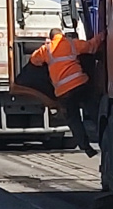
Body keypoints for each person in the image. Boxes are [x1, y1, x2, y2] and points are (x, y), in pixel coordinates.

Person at [29, 27, 103, 156]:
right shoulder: (71, 43)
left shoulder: (46, 49)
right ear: (62, 35)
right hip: (79, 84)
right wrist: (101, 35)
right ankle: (104, 133)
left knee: (74, 120)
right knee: (93, 110)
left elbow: (34, 59)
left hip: (63, 92)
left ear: (51, 38)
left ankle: (86, 147)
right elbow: (91, 47)